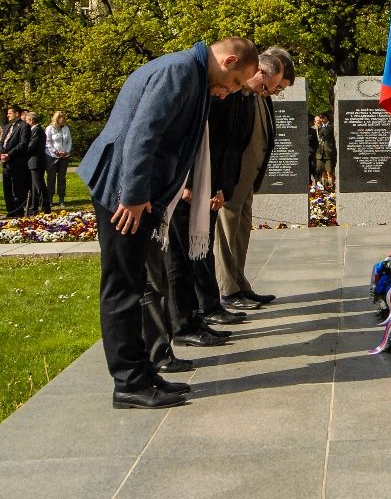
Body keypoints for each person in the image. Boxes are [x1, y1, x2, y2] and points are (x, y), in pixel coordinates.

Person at [78, 36, 258, 410]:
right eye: (238, 82)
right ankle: (128, 382)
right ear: (228, 61)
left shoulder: (189, 72)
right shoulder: (178, 72)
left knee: (137, 282)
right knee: (124, 285)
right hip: (123, 192)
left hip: (134, 192)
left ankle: (142, 372)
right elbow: (143, 135)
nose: (230, 93)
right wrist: (132, 196)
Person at [214, 48, 294, 311]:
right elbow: (223, 140)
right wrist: (219, 182)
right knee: (226, 234)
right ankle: (227, 290)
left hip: (247, 179)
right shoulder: (232, 93)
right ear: (260, 71)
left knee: (240, 232)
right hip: (230, 178)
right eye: (272, 87)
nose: (271, 93)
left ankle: (240, 284)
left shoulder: (257, 95)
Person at [1, 104, 30, 216]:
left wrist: (9, 154)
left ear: (17, 113)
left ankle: (18, 211)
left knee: (17, 188)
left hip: (17, 162)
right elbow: (2, 141)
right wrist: (1, 154)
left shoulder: (24, 126)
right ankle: (10, 210)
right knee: (7, 187)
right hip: (6, 163)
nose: (7, 115)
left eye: (10, 113)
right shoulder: (8, 126)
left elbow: (23, 143)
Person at [46, 111, 72, 208]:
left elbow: (69, 141)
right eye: (62, 119)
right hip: (52, 156)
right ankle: (50, 199)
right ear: (57, 119)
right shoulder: (50, 129)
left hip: (64, 157)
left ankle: (61, 199)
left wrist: (67, 151)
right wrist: (55, 151)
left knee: (62, 178)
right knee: (51, 178)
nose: (64, 120)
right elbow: (48, 142)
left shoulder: (66, 129)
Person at [26, 112, 50, 215]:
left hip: (37, 161)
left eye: (27, 121)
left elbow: (32, 146)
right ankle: (33, 208)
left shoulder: (37, 131)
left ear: (31, 120)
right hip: (33, 162)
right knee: (34, 186)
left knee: (39, 185)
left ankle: (45, 207)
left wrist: (22, 152)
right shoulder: (35, 130)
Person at [315, 112, 337, 189]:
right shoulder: (320, 127)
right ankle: (324, 187)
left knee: (329, 172)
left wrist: (321, 127)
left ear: (325, 118)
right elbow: (319, 138)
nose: (320, 120)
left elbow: (326, 133)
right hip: (320, 153)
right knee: (322, 171)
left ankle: (331, 187)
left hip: (329, 153)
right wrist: (318, 128)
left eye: (322, 118)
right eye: (320, 118)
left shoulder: (331, 126)